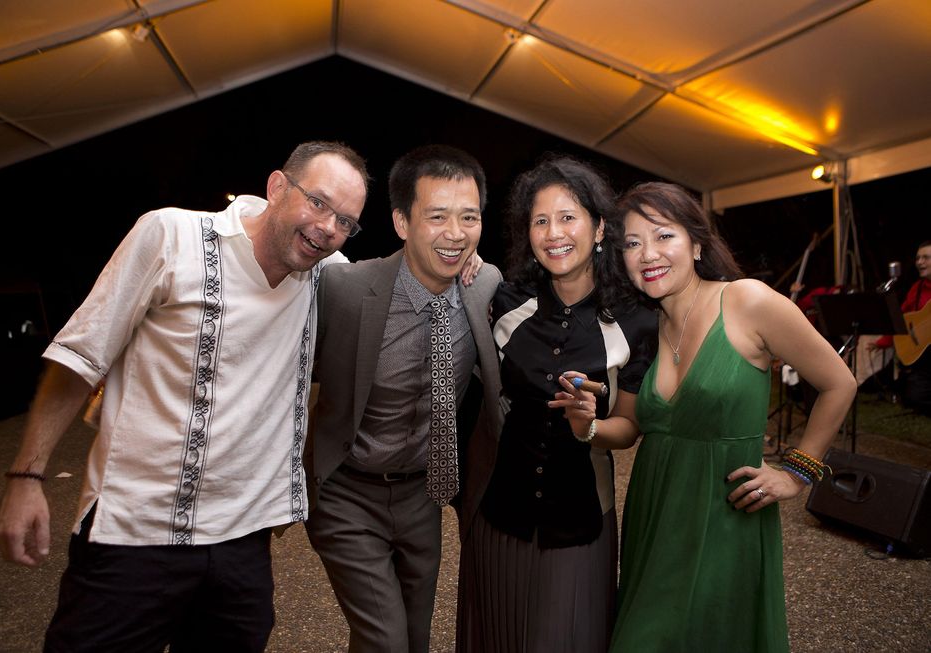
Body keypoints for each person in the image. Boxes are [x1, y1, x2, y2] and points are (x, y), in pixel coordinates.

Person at [0, 141, 370, 652]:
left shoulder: (325, 272)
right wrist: (26, 477)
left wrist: (461, 263)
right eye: (318, 202)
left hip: (243, 543)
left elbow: (391, 280)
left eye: (345, 221)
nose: (327, 227)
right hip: (135, 534)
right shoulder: (171, 235)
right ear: (277, 186)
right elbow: (81, 358)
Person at [612, 182, 857, 652]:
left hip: (725, 518)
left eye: (664, 236)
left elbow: (839, 383)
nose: (648, 254)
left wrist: (797, 472)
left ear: (697, 244)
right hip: (654, 517)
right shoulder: (648, 326)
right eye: (632, 243)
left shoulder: (747, 301)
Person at [305, 145, 503, 653]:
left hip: (424, 495)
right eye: (437, 217)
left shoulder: (485, 285)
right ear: (401, 222)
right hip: (348, 494)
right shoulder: (344, 289)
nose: (455, 233)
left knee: (414, 638)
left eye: (469, 218)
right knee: (386, 640)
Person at [456, 156, 657, 652]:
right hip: (500, 514)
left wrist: (589, 427)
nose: (554, 233)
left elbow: (629, 427)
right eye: (540, 221)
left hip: (581, 520)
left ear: (599, 227)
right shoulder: (506, 302)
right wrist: (467, 263)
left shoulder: (636, 320)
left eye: (568, 217)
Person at [870, 240, 931, 415]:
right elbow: (901, 319)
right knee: (913, 398)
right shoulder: (917, 288)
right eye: (918, 258)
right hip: (923, 358)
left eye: (926, 258)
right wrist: (884, 342)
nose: (920, 262)